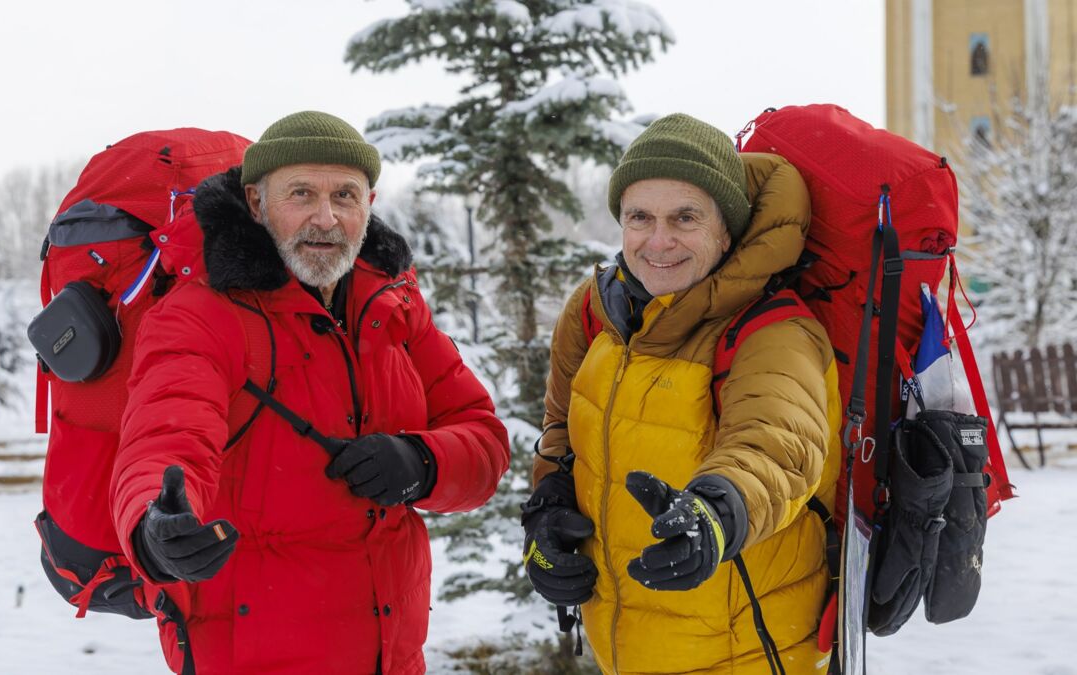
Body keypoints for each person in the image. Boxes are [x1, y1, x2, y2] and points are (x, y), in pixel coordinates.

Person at [111, 111, 510, 675]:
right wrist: (156, 525)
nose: (326, 218)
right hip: (256, 655)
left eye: (345, 196)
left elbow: (482, 437)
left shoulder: (394, 306)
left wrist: (422, 461)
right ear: (255, 203)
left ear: (369, 204)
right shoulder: (199, 316)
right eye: (301, 193)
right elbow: (166, 435)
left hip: (392, 656)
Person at [523, 113, 841, 674]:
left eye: (685, 217)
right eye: (639, 217)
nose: (659, 240)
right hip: (624, 648)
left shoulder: (774, 331)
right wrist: (546, 514)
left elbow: (778, 444)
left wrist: (717, 514)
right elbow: (561, 434)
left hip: (750, 651)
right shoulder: (596, 311)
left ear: (727, 230)